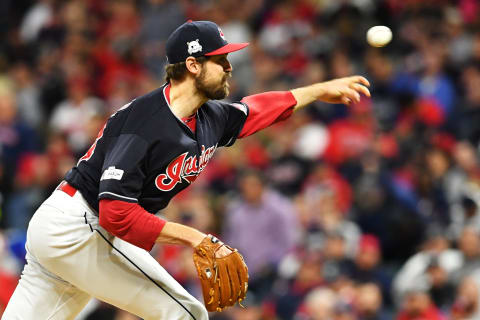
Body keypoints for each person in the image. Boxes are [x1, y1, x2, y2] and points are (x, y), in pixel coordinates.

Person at [2, 20, 370, 319]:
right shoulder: (144, 122)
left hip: (77, 232)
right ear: (192, 65)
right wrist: (195, 238)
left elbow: (256, 110)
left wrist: (319, 90)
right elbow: (115, 213)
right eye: (219, 59)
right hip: (79, 224)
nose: (229, 66)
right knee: (185, 313)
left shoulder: (208, 116)